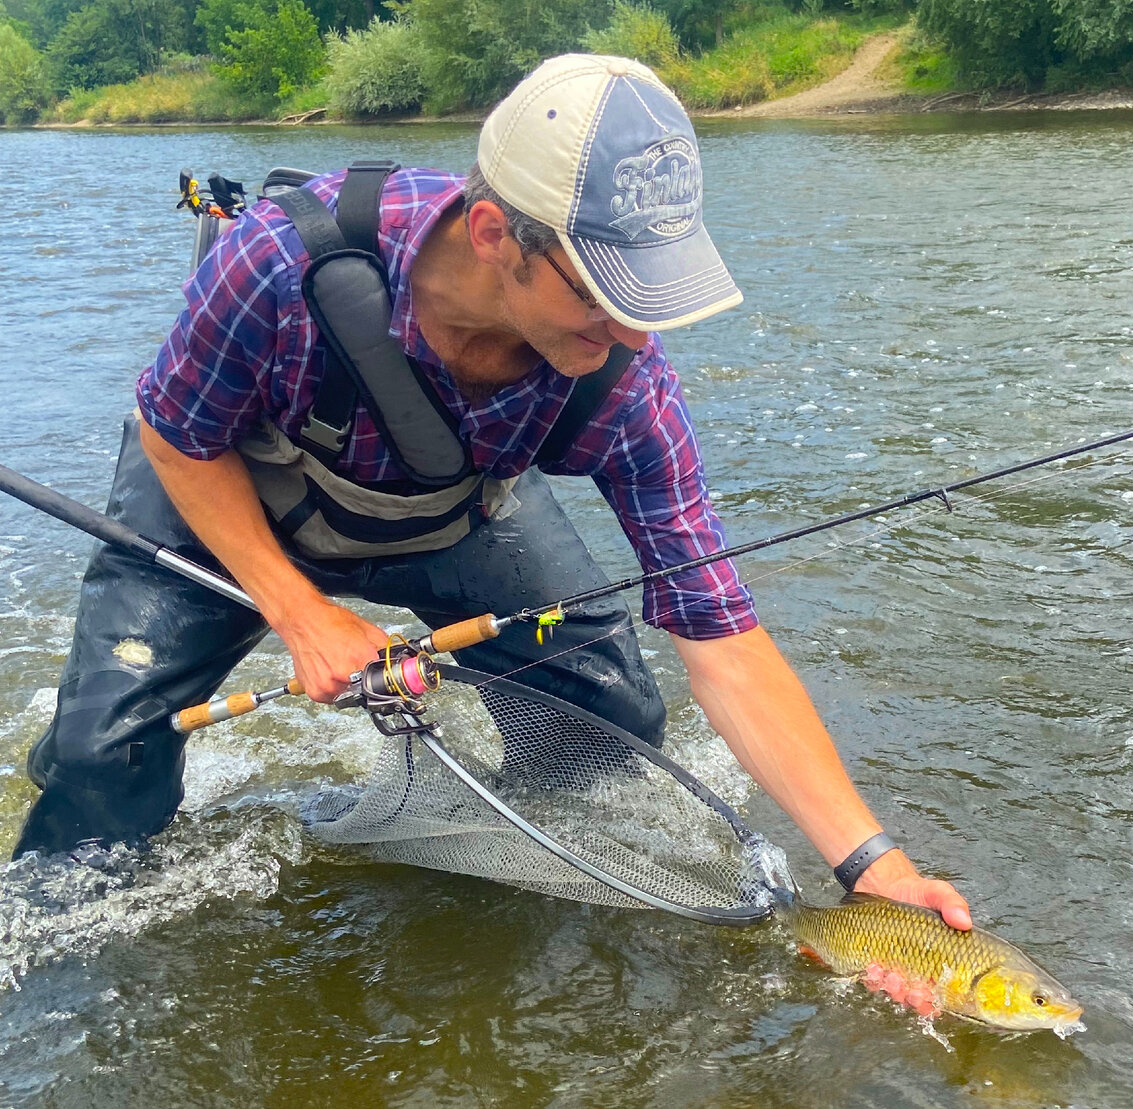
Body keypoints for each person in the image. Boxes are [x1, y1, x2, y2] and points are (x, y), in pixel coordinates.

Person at [15, 54, 971, 964]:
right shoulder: (279, 261)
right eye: (605, 290)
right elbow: (177, 433)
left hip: (448, 516)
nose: (633, 332)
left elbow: (719, 630)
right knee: (105, 766)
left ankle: (501, 893)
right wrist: (299, 614)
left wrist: (871, 863)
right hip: (221, 489)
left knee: (610, 719)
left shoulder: (625, 380)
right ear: (492, 236)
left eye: (653, 292)